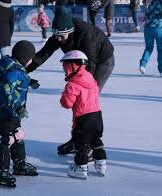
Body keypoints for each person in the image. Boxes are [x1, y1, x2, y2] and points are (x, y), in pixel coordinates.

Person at [26, 9, 114, 155]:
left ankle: (90, 146)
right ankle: (78, 140)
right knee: (78, 104)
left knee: (87, 103)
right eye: (56, 36)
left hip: (102, 61)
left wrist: (79, 84)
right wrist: (26, 69)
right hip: (82, 65)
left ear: (70, 31)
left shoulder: (85, 34)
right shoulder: (59, 35)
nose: (59, 39)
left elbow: (90, 62)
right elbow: (44, 53)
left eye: (61, 36)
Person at [0, 40, 38, 188]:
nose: (32, 60)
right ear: (25, 58)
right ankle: (1, 171)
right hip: (7, 112)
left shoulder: (16, 68)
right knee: (8, 139)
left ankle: (19, 163)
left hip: (13, 112)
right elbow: (7, 89)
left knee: (18, 135)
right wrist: (16, 107)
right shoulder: (14, 71)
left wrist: (29, 81)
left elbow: (18, 79)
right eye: (31, 57)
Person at [60, 50, 107, 178]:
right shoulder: (90, 78)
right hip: (97, 116)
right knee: (96, 139)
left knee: (82, 144)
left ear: (73, 66)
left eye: (65, 67)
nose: (65, 70)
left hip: (83, 118)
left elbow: (67, 103)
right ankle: (101, 163)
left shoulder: (72, 84)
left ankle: (80, 167)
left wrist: (64, 95)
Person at [139, 0, 162, 77]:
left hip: (148, 27)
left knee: (149, 47)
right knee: (160, 49)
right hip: (158, 27)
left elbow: (148, 12)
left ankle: (142, 65)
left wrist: (145, 19)